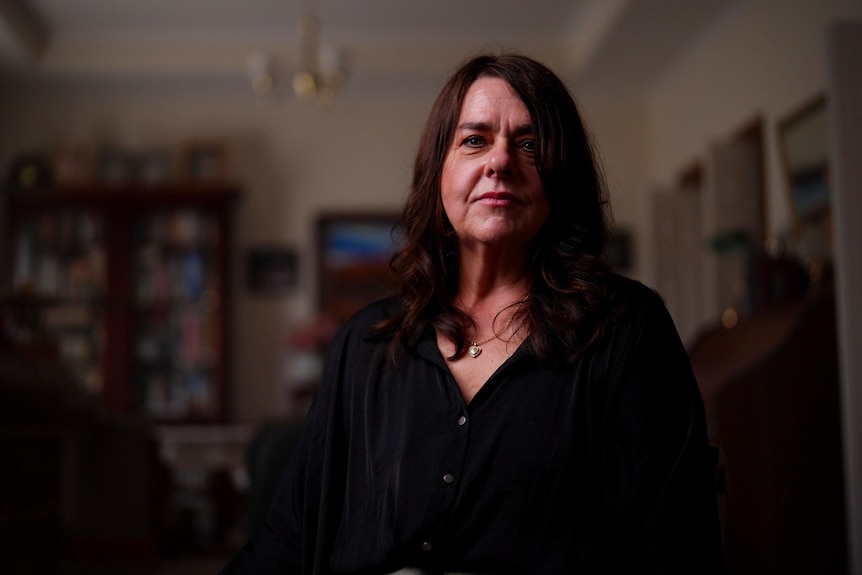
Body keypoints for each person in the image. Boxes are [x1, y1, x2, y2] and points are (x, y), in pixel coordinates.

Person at [221, 53, 725, 574]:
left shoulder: (628, 331)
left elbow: (679, 550)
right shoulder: (365, 343)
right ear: (439, 169)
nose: (500, 161)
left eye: (529, 145)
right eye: (474, 140)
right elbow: (289, 537)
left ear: (561, 176)